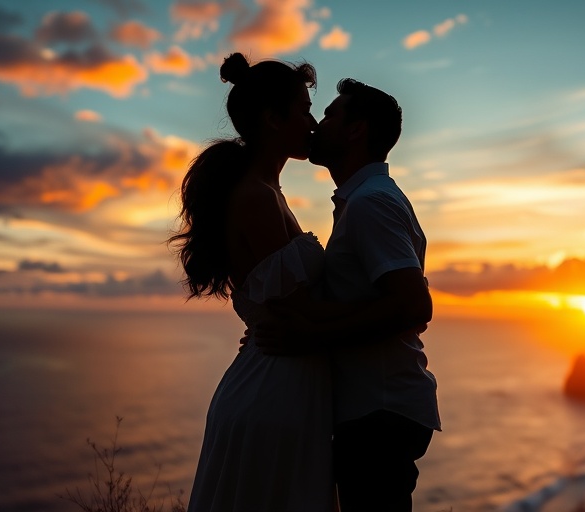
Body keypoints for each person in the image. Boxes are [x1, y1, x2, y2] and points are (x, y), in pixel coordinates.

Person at [172, 53, 333, 511]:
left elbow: (289, 305)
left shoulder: (267, 189)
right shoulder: (256, 198)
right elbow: (303, 311)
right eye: (304, 111)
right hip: (275, 392)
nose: (313, 122)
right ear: (272, 119)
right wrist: (396, 308)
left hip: (279, 382)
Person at [310, 79, 441, 511]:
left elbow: (412, 304)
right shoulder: (365, 199)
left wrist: (310, 334)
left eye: (330, 113)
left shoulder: (370, 203)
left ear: (355, 130)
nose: (317, 122)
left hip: (378, 414)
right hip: (377, 410)